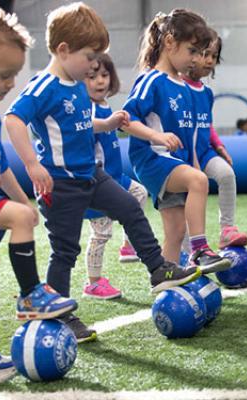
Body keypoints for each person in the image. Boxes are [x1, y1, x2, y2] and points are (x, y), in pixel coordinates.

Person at [5, 2, 200, 343]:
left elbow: (80, 125)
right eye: (89, 57)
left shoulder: (78, 84)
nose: (94, 65)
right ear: (64, 50)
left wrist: (107, 123)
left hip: (91, 175)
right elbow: (13, 118)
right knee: (64, 251)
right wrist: (33, 166)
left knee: (129, 207)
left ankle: (158, 269)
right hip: (60, 184)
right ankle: (61, 317)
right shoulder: (43, 86)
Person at [0, 6, 76, 369]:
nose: (11, 83)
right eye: (4, 75)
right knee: (17, 219)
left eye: (15, 75)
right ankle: (31, 295)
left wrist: (26, 201)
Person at [122, 9, 231, 272]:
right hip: (152, 159)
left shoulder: (183, 86)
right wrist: (155, 136)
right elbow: (126, 119)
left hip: (173, 162)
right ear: (169, 42)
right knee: (199, 180)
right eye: (192, 51)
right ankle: (200, 250)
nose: (195, 59)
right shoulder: (152, 80)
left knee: (175, 231)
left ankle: (164, 278)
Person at [82, 53, 149, 300]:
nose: (100, 81)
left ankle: (128, 244)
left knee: (140, 192)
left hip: (115, 176)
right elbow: (88, 127)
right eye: (92, 76)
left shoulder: (104, 103)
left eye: (104, 75)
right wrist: (109, 122)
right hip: (97, 184)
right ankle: (93, 282)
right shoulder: (85, 108)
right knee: (101, 232)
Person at [182, 29, 247, 251]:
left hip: (204, 151)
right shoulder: (178, 87)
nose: (210, 61)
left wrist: (219, 146)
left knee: (227, 174)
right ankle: (185, 249)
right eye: (205, 54)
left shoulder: (206, 92)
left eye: (214, 56)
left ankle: (227, 230)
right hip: (182, 156)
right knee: (184, 199)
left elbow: (206, 124)